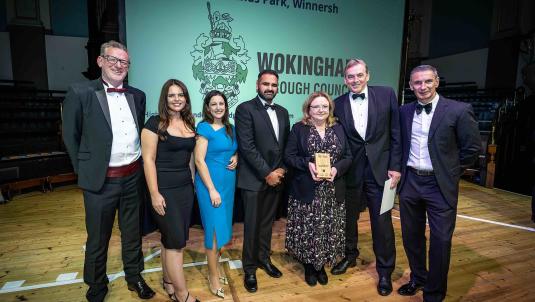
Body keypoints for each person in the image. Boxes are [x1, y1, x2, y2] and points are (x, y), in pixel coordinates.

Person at [62, 40, 155, 302]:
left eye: (123, 61)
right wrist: (85, 173)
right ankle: (96, 285)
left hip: (133, 177)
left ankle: (134, 276)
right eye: (113, 59)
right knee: (98, 238)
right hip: (100, 181)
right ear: (100, 61)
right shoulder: (79, 92)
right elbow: (71, 136)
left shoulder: (137, 95)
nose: (118, 65)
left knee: (132, 233)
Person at [397, 65, 480, 302]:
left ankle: (434, 293)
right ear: (411, 86)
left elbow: (472, 148)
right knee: (411, 236)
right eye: (417, 83)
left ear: (436, 82)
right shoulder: (403, 111)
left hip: (439, 184)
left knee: (441, 240)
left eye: (427, 81)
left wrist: (450, 172)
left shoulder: (459, 110)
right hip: (411, 181)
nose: (422, 87)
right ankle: (418, 278)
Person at [332, 58, 401, 296]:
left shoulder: (386, 94)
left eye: (359, 75)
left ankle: (384, 271)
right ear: (345, 79)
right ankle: (350, 256)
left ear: (367, 75)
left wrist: (395, 166)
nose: (355, 80)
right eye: (350, 77)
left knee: (382, 223)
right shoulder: (337, 103)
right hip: (351, 172)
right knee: (347, 219)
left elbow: (396, 134)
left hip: (381, 172)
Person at [284, 91, 352, 286]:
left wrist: (336, 170)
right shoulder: (299, 129)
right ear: (308, 109)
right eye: (316, 106)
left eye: (325, 106)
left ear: (329, 109)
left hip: (332, 190)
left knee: (327, 229)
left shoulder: (338, 128)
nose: (321, 110)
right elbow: (289, 156)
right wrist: (308, 164)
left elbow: (348, 157)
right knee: (308, 230)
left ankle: (320, 265)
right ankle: (308, 265)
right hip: (307, 189)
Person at [141, 79, 199, 302]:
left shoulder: (190, 123)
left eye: (181, 95)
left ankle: (168, 282)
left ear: (186, 98)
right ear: (165, 99)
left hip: (185, 189)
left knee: (171, 239)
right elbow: (148, 160)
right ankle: (182, 295)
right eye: (172, 95)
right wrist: (154, 193)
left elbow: (191, 160)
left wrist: (193, 185)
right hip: (163, 189)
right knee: (176, 243)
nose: (177, 99)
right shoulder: (154, 123)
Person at [234, 69, 290, 293]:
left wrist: (282, 171)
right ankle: (249, 268)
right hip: (255, 180)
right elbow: (247, 146)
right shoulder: (245, 109)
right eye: (266, 84)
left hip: (277, 179)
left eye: (274, 85)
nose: (270, 88)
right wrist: (267, 173)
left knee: (268, 224)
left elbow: (285, 146)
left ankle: (263, 259)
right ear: (257, 85)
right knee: (252, 226)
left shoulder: (284, 112)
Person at [194, 90, 238, 298]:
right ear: (208, 107)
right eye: (214, 104)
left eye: (222, 103)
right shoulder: (203, 128)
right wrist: (211, 189)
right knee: (213, 232)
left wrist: (236, 156)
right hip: (210, 186)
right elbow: (199, 161)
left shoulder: (231, 128)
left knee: (222, 230)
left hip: (228, 186)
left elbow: (233, 149)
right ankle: (213, 277)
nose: (218, 107)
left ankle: (215, 267)